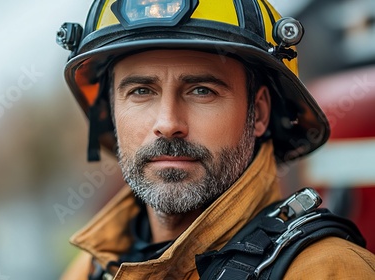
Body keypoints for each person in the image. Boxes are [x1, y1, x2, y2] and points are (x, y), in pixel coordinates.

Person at [56, 0, 375, 279]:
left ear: (259, 113)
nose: (168, 124)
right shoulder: (90, 270)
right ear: (110, 113)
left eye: (201, 91)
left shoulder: (328, 271)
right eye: (141, 91)